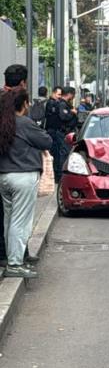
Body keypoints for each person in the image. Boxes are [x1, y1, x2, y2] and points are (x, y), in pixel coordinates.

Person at [0, 88, 51, 278]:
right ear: (23, 104)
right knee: (20, 222)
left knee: (9, 220)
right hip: (23, 176)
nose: (29, 105)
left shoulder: (3, 122)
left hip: (4, 176)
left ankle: (12, 259)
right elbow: (46, 141)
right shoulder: (24, 123)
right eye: (28, 102)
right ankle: (15, 264)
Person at [0, 65, 29, 269]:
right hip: (13, 165)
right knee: (15, 215)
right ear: (22, 82)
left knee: (8, 214)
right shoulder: (13, 101)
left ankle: (16, 253)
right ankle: (12, 256)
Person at [44, 86, 75, 183]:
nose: (59, 97)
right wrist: (72, 113)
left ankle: (59, 175)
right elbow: (63, 117)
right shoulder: (57, 104)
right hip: (57, 132)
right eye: (58, 94)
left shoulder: (60, 104)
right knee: (62, 153)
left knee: (60, 153)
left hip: (58, 132)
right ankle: (60, 175)